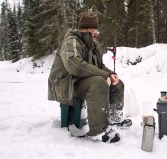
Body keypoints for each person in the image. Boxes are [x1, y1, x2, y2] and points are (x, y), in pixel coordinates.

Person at [48, 8, 131, 143]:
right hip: (65, 85)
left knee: (118, 83)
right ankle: (99, 130)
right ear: (86, 29)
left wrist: (110, 74)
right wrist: (104, 75)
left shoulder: (93, 45)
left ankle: (115, 118)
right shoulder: (72, 41)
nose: (97, 34)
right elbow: (74, 65)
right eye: (95, 30)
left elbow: (99, 67)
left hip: (80, 81)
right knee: (98, 82)